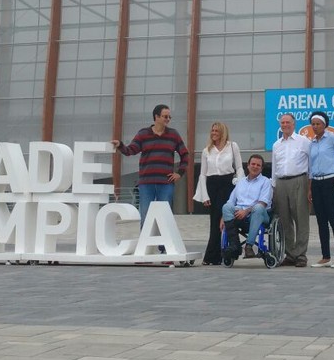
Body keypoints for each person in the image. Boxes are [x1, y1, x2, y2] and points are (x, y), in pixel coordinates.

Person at [112, 104, 189, 253]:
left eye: (169, 117)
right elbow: (130, 151)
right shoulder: (143, 134)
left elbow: (185, 154)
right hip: (146, 183)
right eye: (165, 116)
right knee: (145, 215)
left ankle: (165, 249)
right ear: (156, 117)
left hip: (166, 183)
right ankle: (144, 250)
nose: (168, 119)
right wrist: (120, 145)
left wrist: (180, 173)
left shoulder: (173, 135)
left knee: (165, 216)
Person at [193, 122, 245, 265]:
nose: (213, 133)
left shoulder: (233, 146)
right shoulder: (206, 151)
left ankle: (218, 254)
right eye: (212, 130)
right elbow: (202, 175)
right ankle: (214, 256)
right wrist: (204, 195)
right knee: (215, 221)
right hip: (212, 185)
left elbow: (239, 167)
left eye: (216, 130)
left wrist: (239, 185)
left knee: (225, 219)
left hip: (227, 184)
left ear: (222, 132)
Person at [307, 111, 334, 269]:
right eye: (313, 124)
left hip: (330, 181)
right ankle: (325, 256)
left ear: (325, 124)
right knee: (321, 221)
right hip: (317, 183)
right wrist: (310, 188)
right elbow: (310, 168)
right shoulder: (311, 143)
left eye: (318, 123)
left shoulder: (332, 138)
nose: (315, 126)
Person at [272, 113, 311, 268]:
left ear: (294, 124)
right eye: (282, 122)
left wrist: (310, 186)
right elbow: (274, 168)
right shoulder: (277, 144)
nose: (285, 125)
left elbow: (311, 164)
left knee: (301, 219)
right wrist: (273, 188)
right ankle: (290, 254)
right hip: (281, 182)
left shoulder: (304, 141)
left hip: (299, 181)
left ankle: (301, 255)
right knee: (284, 220)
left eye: (288, 122)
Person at [220, 154, 272, 261]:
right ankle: (235, 246)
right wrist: (223, 217)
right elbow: (231, 201)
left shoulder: (266, 182)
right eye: (253, 164)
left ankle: (249, 246)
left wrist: (246, 211)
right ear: (248, 166)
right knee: (226, 207)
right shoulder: (241, 182)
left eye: (258, 165)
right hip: (239, 213)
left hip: (259, 215)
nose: (255, 166)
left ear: (261, 168)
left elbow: (263, 203)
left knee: (258, 208)